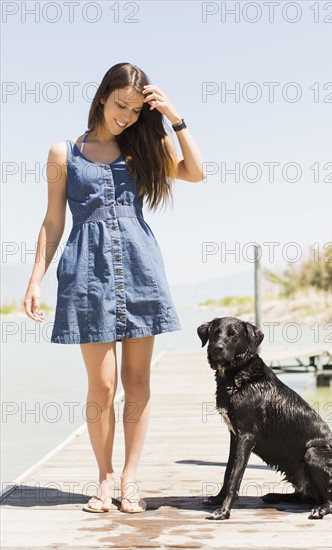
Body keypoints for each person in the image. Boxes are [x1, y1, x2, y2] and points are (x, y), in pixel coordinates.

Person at [23, 62, 205, 513]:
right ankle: (104, 477)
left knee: (137, 382)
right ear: (103, 95)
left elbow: (196, 172)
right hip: (86, 274)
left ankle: (130, 479)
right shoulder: (63, 151)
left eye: (136, 110)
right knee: (102, 387)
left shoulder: (146, 143)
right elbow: (52, 221)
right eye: (121, 105)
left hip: (141, 269)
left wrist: (174, 118)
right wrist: (34, 280)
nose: (126, 116)